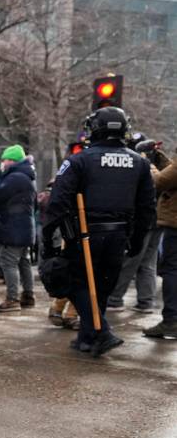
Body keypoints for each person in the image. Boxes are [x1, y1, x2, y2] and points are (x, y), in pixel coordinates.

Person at [42, 107, 155, 356]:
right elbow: (147, 208)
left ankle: (101, 331)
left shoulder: (79, 160)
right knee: (103, 286)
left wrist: (49, 242)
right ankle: (87, 338)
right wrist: (137, 241)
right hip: (119, 235)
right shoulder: (139, 162)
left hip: (84, 234)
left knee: (73, 283)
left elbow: (57, 203)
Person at [107, 139, 162, 314]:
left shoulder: (142, 169)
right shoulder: (162, 170)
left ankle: (115, 299)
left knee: (131, 259)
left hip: (144, 221)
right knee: (148, 263)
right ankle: (146, 301)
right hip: (159, 220)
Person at [0, 145, 37, 312]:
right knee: (24, 262)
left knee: (8, 262)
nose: (2, 163)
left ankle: (12, 299)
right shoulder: (26, 176)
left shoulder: (15, 177)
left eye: (5, 160)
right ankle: (28, 296)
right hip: (24, 227)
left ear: (13, 161)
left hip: (13, 228)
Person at [142, 142, 177, 338]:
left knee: (171, 270)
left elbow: (160, 182)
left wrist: (149, 165)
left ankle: (171, 320)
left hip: (175, 226)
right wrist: (160, 157)